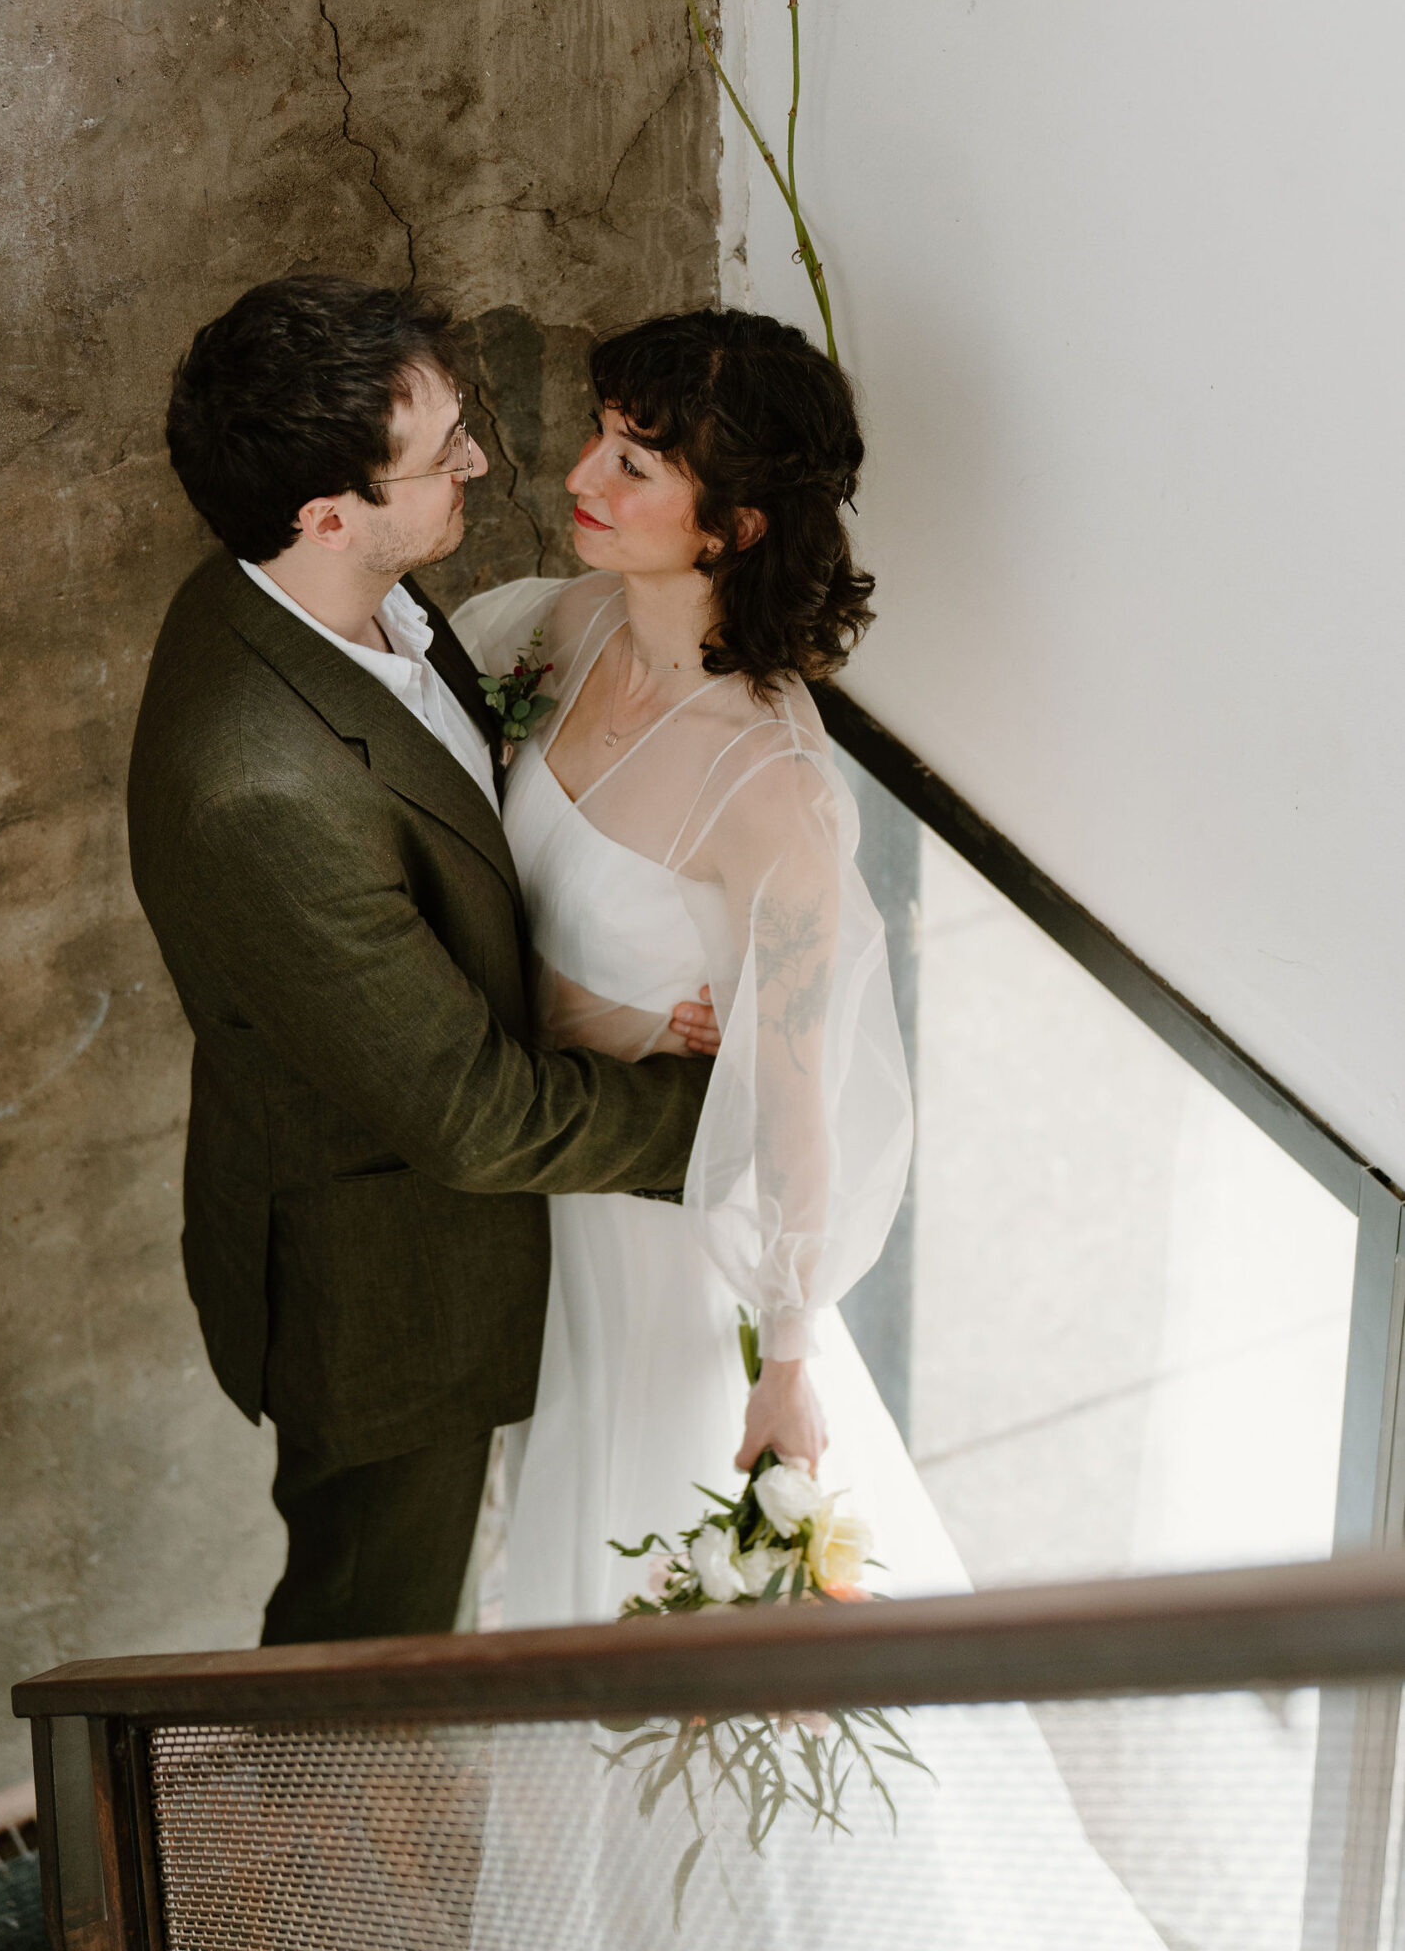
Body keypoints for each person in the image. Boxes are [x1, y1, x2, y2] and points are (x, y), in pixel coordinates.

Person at [457, 307, 1168, 1947]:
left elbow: (795, 1101)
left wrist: (785, 1357)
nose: (581, 475)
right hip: (554, 1195)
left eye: (637, 462)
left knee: (645, 1599)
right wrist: (613, 1019)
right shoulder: (547, 633)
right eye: (601, 436)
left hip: (662, 1258)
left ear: (736, 524)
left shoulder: (771, 784)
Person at [126, 275, 718, 1647]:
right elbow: (469, 1114)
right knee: (366, 1635)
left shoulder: (311, 593)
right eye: (441, 451)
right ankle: (327, 1844)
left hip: (451, 1217)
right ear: (329, 512)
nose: (480, 463)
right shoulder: (257, 787)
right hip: (380, 1292)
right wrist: (720, 1119)